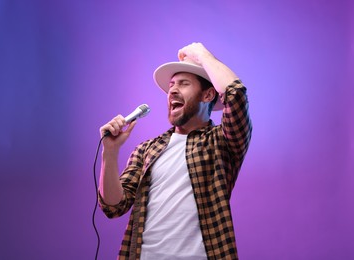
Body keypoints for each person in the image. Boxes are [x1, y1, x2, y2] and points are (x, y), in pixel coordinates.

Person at [98, 42, 252, 260]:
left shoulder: (221, 142)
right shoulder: (147, 150)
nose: (172, 90)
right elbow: (113, 206)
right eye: (171, 85)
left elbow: (235, 94)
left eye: (184, 83)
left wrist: (202, 54)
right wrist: (110, 153)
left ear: (208, 95)